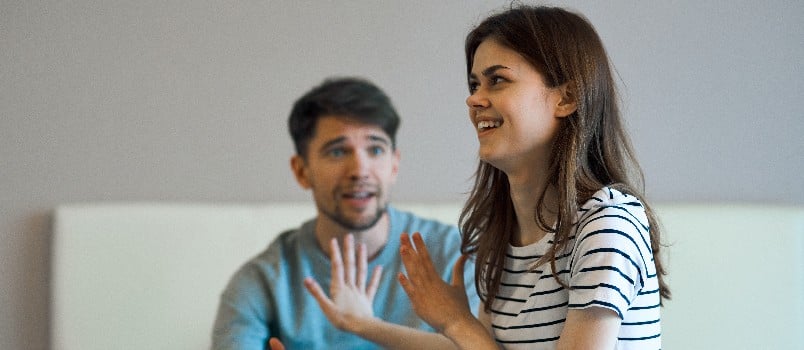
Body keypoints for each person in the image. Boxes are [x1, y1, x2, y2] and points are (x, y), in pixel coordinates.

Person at [396, 5, 671, 350]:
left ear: (566, 97)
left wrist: (455, 321)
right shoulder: (499, 236)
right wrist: (357, 323)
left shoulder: (606, 223)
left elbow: (472, 340)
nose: (473, 99)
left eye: (497, 80)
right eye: (473, 83)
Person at [211, 77, 479, 350]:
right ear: (302, 171)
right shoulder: (261, 281)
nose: (360, 170)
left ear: (394, 165)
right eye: (337, 152)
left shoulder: (455, 258)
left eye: (375, 149)